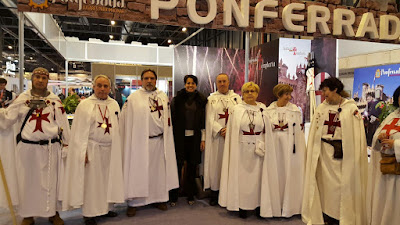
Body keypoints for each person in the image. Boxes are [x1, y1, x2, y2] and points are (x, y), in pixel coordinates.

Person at [0, 67, 70, 225]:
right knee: (27, 183)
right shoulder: (21, 99)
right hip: (28, 149)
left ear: (47, 81)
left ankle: (53, 213)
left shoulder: (54, 100)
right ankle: (28, 215)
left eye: (43, 78)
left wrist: (67, 143)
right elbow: (7, 118)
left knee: (51, 183)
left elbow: (63, 123)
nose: (40, 80)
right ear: (32, 79)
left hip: (50, 148)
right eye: (37, 77)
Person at [302, 77, 368, 225]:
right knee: (323, 187)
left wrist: (353, 154)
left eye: (325, 90)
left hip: (342, 157)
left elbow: (356, 136)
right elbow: (315, 132)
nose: (323, 94)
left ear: (335, 89)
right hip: (323, 156)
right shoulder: (321, 108)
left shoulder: (351, 109)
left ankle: (341, 217)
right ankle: (326, 216)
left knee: (340, 187)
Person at [62, 75, 124, 225]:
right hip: (92, 149)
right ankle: (89, 214)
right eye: (99, 86)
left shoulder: (114, 104)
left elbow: (118, 127)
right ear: (94, 87)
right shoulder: (85, 105)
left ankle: (107, 208)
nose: (102, 89)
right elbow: (78, 132)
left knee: (108, 181)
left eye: (105, 86)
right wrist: (81, 152)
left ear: (110, 88)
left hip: (110, 149)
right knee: (92, 184)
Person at [120, 69, 178, 217]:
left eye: (152, 78)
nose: (149, 81)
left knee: (158, 173)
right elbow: (125, 121)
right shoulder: (134, 98)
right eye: (146, 78)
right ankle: (134, 202)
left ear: (156, 80)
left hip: (159, 141)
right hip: (140, 142)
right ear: (141, 80)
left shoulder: (162, 97)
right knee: (138, 172)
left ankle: (159, 199)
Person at [219, 82, 281, 219]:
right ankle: (242, 206)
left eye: (253, 91)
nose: (250, 94)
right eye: (247, 91)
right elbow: (233, 131)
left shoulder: (262, 109)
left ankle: (259, 206)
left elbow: (267, 130)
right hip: (241, 149)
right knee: (242, 180)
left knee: (259, 179)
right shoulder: (237, 109)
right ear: (243, 93)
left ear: (257, 93)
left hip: (258, 149)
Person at [266, 84, 305, 217]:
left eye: (289, 94)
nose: (289, 97)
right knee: (275, 173)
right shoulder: (268, 110)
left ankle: (288, 206)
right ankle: (274, 206)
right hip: (274, 147)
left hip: (289, 147)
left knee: (287, 173)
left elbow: (298, 132)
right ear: (279, 95)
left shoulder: (294, 110)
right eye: (286, 94)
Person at [204, 73, 241, 206]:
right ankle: (215, 193)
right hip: (218, 138)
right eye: (219, 81)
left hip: (231, 137)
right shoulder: (211, 99)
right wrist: (220, 129)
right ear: (216, 83)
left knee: (230, 163)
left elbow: (239, 117)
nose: (222, 84)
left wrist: (229, 129)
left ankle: (229, 192)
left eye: (224, 81)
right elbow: (209, 118)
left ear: (228, 82)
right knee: (217, 165)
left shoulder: (236, 99)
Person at [169, 75, 207, 206]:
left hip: (195, 139)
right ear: (185, 84)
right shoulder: (177, 99)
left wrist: (203, 139)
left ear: (196, 85)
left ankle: (190, 195)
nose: (190, 85)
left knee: (192, 167)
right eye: (188, 83)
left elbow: (203, 121)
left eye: (193, 83)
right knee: (177, 167)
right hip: (179, 138)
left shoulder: (202, 100)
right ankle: (173, 196)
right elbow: (172, 119)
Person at [367, 85, 400, 225]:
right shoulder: (392, 116)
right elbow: (375, 142)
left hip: (398, 173)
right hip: (385, 169)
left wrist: (396, 145)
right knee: (384, 203)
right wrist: (380, 138)